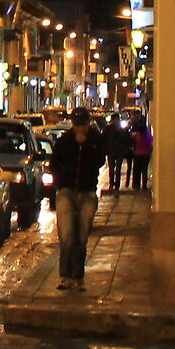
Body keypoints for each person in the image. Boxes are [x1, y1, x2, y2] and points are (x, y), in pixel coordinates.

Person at [49, 107, 110, 293]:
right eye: (77, 125)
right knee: (67, 235)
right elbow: (54, 164)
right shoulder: (64, 141)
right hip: (66, 191)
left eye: (82, 124)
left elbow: (100, 161)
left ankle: (78, 277)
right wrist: (61, 181)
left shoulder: (95, 139)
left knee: (81, 237)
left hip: (87, 191)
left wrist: (86, 146)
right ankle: (65, 276)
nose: (80, 129)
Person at [127, 113, 153, 194]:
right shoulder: (149, 136)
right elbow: (152, 145)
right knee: (144, 170)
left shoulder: (136, 135)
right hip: (146, 155)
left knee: (136, 170)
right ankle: (144, 185)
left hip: (137, 154)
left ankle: (136, 185)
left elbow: (130, 139)